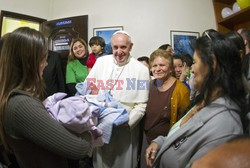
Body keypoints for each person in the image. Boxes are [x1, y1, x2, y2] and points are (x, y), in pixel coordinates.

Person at [146, 30, 247, 168]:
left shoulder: (225, 126)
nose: (191, 69)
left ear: (212, 65)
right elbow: (179, 139)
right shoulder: (203, 102)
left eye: (194, 62)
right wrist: (159, 142)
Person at [0, 27, 91, 168]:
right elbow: (79, 149)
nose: (46, 63)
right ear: (29, 62)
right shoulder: (22, 105)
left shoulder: (16, 97)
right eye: (43, 58)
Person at [85, 30, 150, 168]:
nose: (119, 52)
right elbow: (87, 88)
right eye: (115, 47)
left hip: (124, 131)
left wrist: (127, 124)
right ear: (111, 47)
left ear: (131, 47)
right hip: (101, 125)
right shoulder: (101, 62)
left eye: (123, 47)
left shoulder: (141, 70)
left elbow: (141, 104)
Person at [144, 49, 190, 143]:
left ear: (170, 68)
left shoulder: (181, 90)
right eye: (154, 66)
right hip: (146, 140)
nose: (157, 69)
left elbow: (185, 121)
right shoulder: (149, 85)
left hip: (168, 143)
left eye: (162, 65)